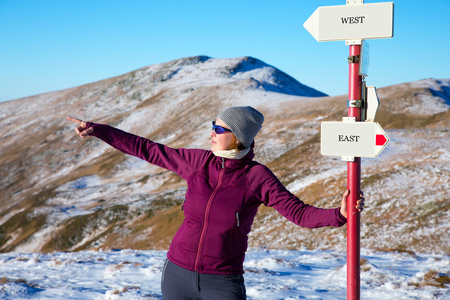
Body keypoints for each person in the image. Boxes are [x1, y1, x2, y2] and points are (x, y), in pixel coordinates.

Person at [68, 106, 364, 300]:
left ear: (238, 138)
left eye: (220, 129)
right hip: (177, 274)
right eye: (214, 125)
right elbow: (148, 149)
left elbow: (298, 213)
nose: (212, 132)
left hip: (221, 283)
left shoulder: (256, 176)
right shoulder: (198, 162)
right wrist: (100, 131)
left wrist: (338, 214)